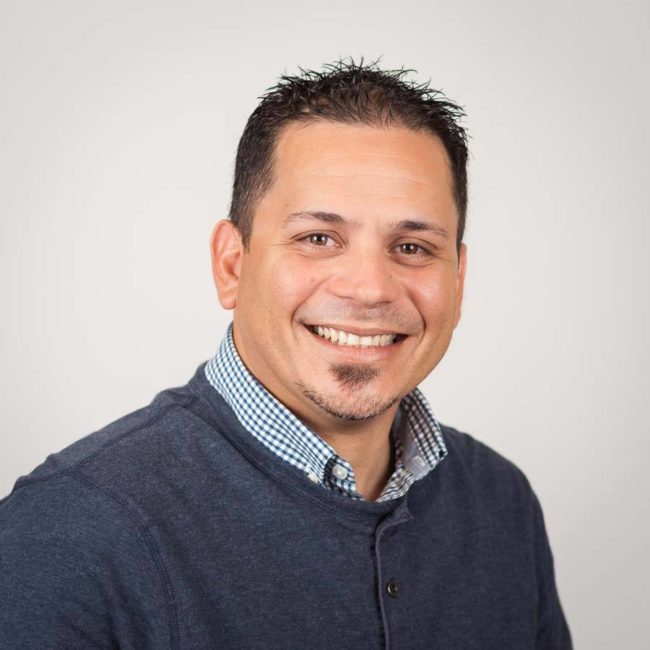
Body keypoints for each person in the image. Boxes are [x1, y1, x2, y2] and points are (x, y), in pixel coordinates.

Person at [0, 60, 572, 649]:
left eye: (412, 246)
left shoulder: (502, 503)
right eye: (318, 239)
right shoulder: (69, 533)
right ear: (232, 264)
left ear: (459, 278)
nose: (370, 288)